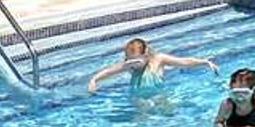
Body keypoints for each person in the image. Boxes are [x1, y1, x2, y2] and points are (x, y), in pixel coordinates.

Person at [87, 38, 218, 94]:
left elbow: (184, 61)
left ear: (145, 54)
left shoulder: (158, 60)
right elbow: (110, 71)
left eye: (136, 60)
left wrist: (204, 62)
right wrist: (94, 80)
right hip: (138, 98)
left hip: (159, 95)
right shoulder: (129, 66)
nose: (133, 62)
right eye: (129, 59)